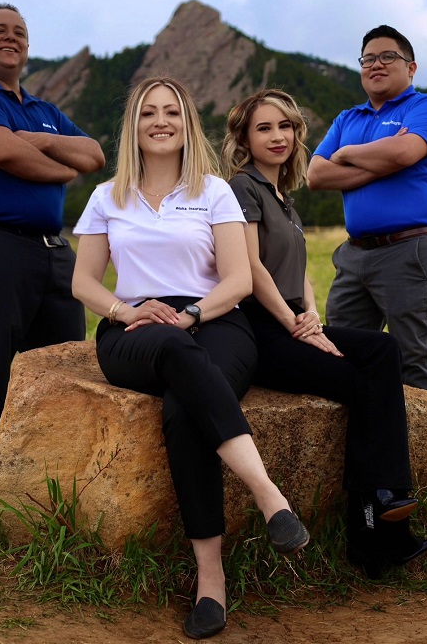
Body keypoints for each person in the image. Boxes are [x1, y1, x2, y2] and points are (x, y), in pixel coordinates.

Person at [72, 76, 309, 640]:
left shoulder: (213, 191)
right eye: (149, 112)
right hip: (134, 329)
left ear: (187, 125)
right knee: (174, 350)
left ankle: (210, 579)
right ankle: (268, 495)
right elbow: (83, 281)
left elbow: (235, 280)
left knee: (185, 410)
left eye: (172, 113)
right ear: (135, 124)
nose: (161, 121)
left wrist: (195, 314)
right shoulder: (108, 196)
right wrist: (126, 313)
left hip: (216, 320)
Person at [221, 88, 427, 579]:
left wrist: (313, 315)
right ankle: (373, 529)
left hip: (292, 319)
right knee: (358, 383)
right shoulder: (241, 188)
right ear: (245, 139)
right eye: (264, 128)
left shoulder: (285, 198)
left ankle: (388, 498)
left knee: (382, 349)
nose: (278, 136)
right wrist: (296, 324)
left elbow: (300, 273)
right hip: (259, 328)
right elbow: (251, 267)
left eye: (286, 127)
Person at [0, 3, 105, 481]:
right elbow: (5, 153)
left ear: (28, 46)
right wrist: (59, 165)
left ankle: (43, 484)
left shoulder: (43, 111)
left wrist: (40, 141)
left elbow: (93, 154)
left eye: (19, 32)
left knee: (64, 368)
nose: (10, 38)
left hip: (52, 253)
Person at [307, 25, 427, 396]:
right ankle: (367, 446)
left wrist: (348, 154)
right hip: (355, 256)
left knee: (413, 356)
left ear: (411, 67)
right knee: (344, 351)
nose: (377, 64)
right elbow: (316, 174)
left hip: (408, 250)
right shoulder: (347, 118)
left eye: (388, 57)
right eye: (368, 59)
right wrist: (384, 157)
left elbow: (406, 153)